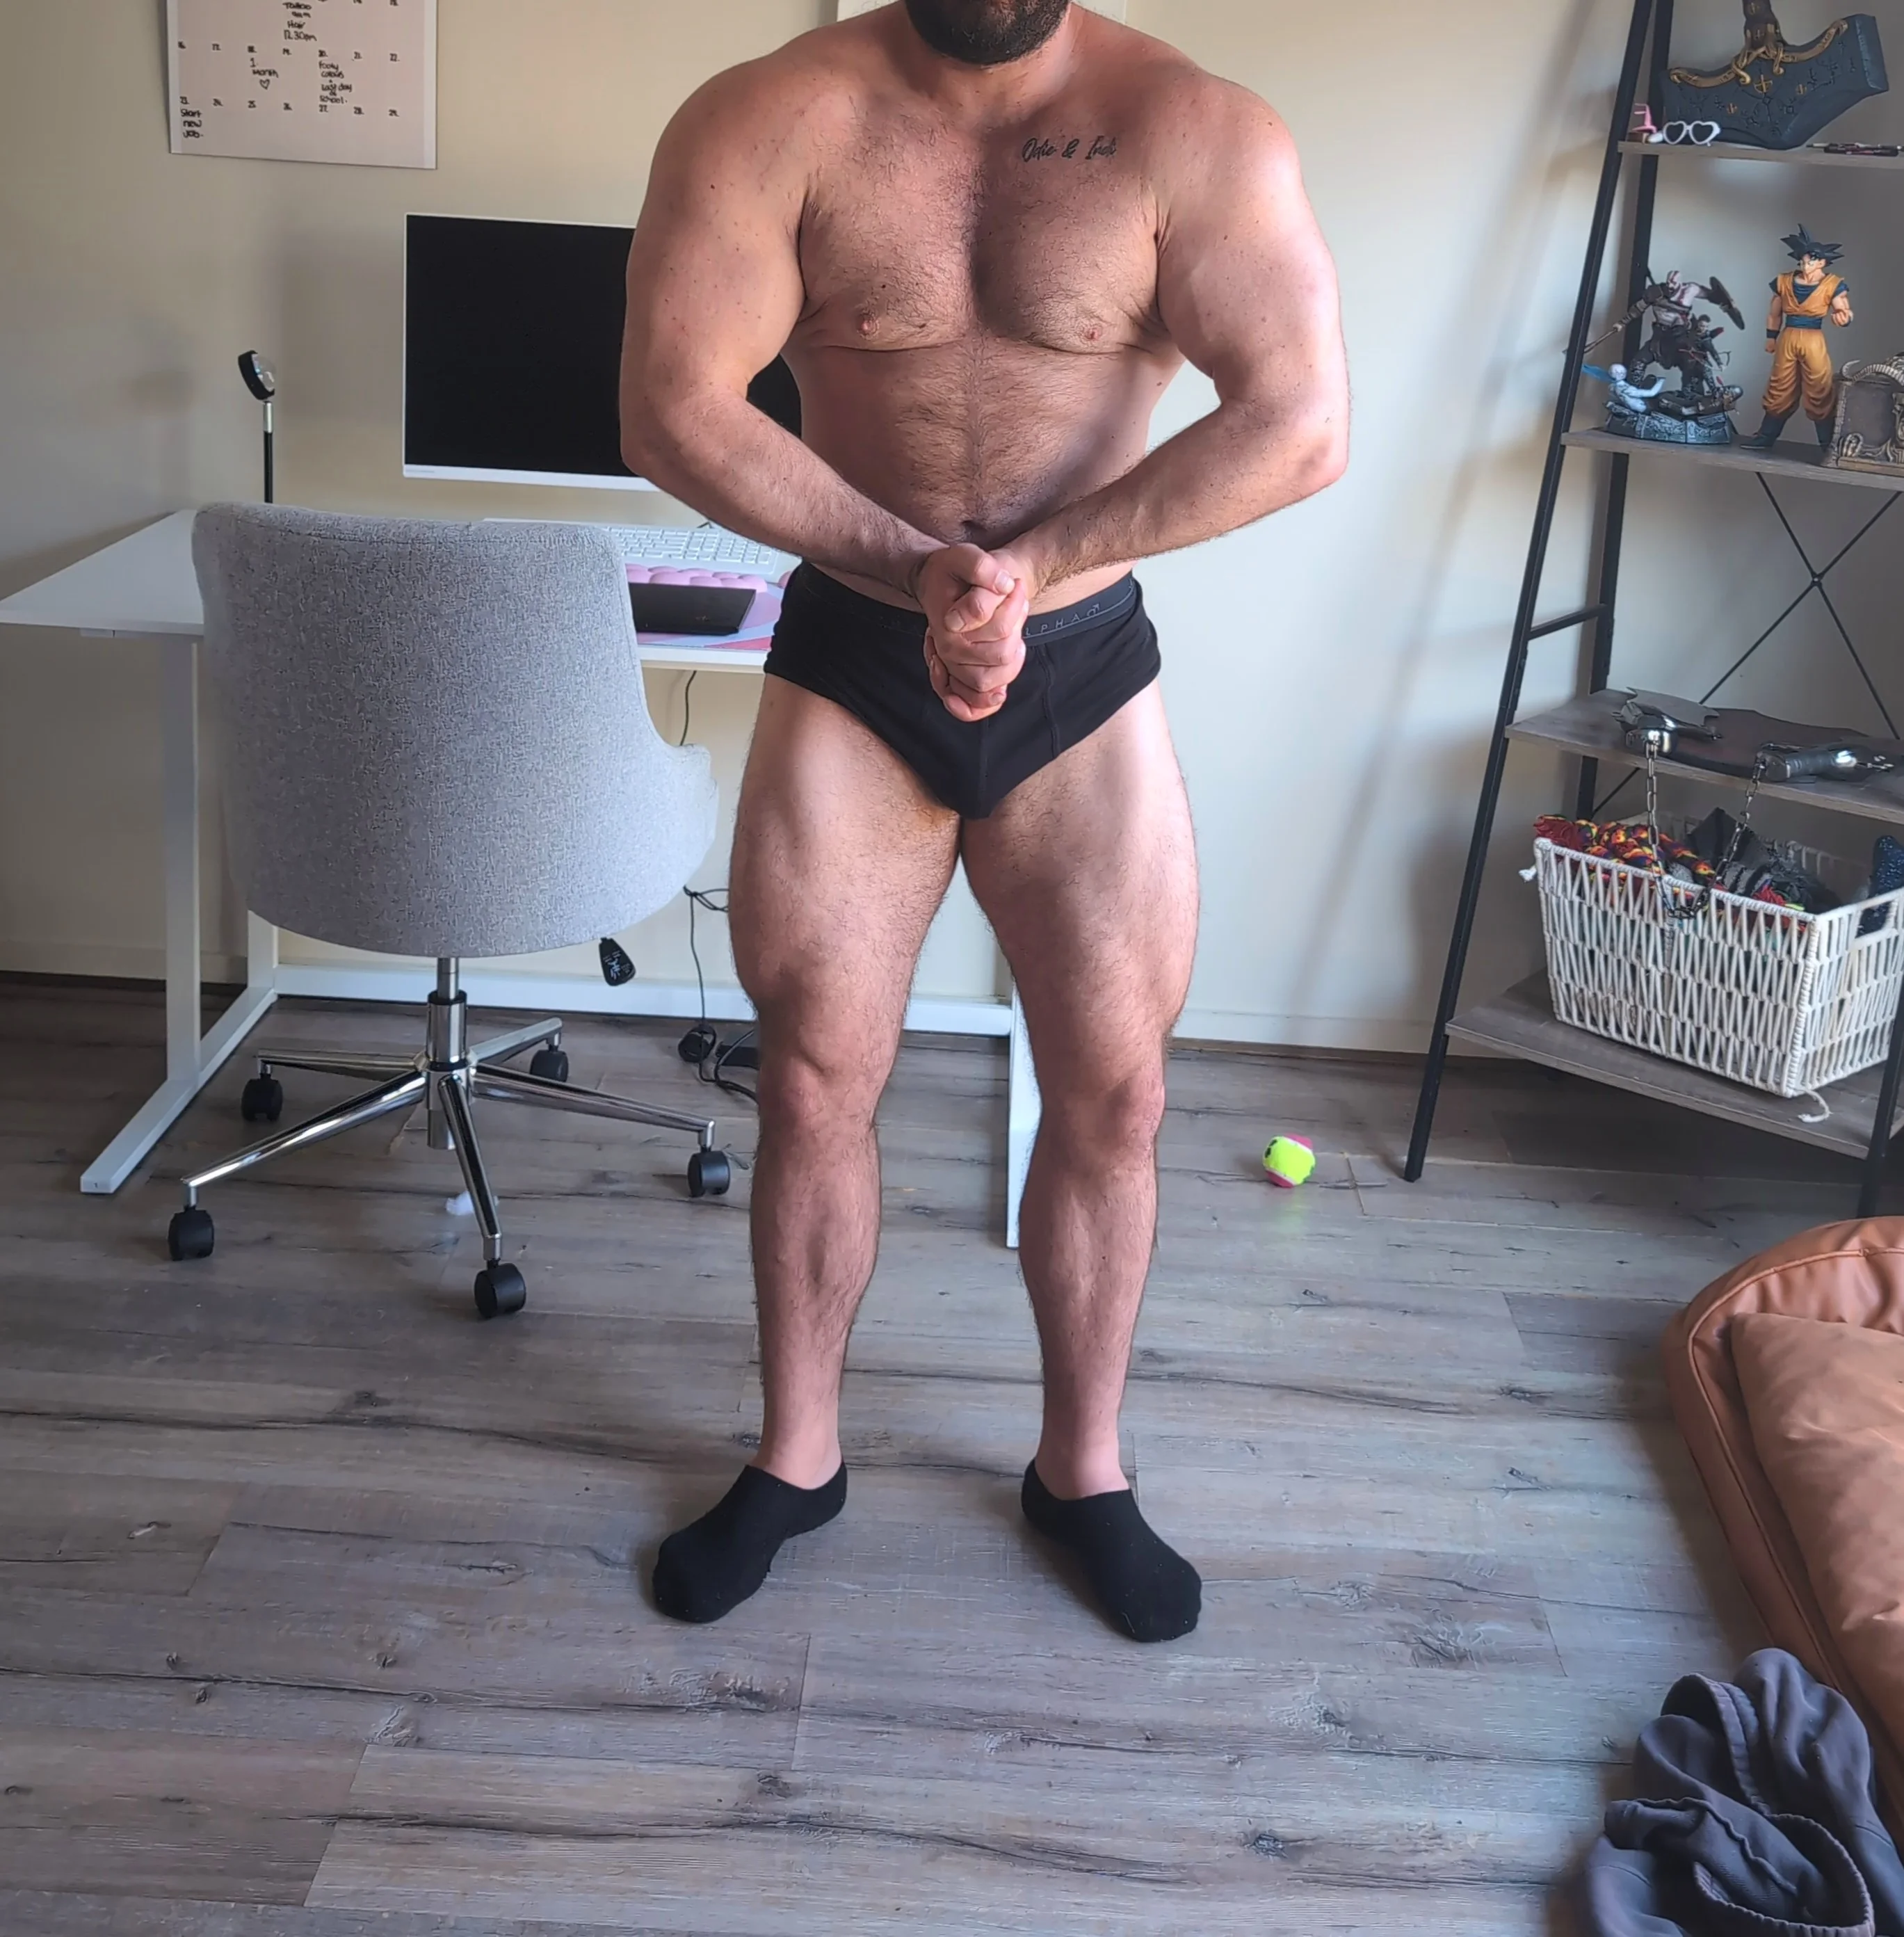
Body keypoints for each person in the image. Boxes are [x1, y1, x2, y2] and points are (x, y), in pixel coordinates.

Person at [619, 0, 1348, 1643]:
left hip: (1078, 661)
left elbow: (1300, 417)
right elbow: (671, 402)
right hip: (856, 644)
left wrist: (1030, 573)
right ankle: (797, 1457)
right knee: (813, 1075)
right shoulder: (768, 116)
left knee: (1117, 1088)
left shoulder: (1193, 127)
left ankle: (1081, 1472)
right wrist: (921, 571)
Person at [1745, 225, 1853, 450]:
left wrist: (1844, 317)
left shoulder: (1832, 285)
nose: (1806, 265)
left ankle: (1827, 443)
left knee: (1819, 386)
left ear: (1822, 262)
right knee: (1780, 385)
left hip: (1813, 339)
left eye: (1811, 261)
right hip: (1788, 336)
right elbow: (1774, 314)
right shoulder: (1784, 282)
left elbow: (1843, 310)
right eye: (1802, 261)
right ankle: (1766, 436)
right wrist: (1771, 337)